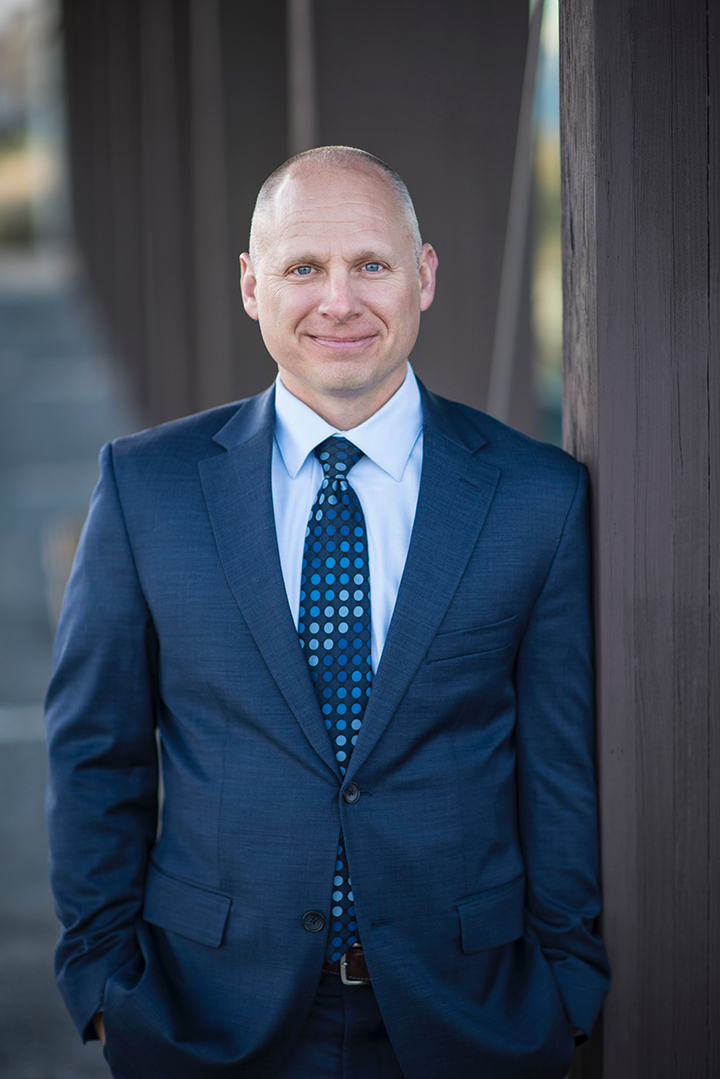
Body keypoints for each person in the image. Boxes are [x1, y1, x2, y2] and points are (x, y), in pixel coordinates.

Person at [45, 146, 610, 1079]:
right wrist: (106, 986)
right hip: (206, 1017)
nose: (339, 301)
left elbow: (558, 767)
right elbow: (95, 751)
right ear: (250, 284)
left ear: (423, 277)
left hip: (470, 1018)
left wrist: (566, 989)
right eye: (304, 266)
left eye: (372, 265)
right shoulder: (147, 487)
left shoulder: (534, 498)